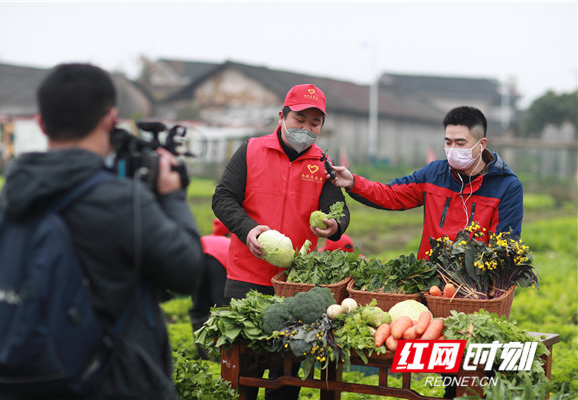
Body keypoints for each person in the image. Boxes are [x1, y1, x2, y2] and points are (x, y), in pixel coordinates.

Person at [0, 63, 203, 399]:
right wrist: (172, 196)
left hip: (26, 376)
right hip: (107, 381)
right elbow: (187, 271)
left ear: (41, 122)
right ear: (109, 119)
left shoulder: (15, 190)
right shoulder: (119, 200)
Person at [212, 83, 350, 399]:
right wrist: (247, 229)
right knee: (243, 371)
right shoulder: (250, 150)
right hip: (246, 277)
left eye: (315, 123)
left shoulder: (323, 164)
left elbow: (338, 211)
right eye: (300, 119)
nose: (307, 128)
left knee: (286, 375)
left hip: (294, 284)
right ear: (282, 116)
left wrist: (334, 224)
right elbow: (222, 198)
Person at [329, 105, 523, 260]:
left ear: (481, 144)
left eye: (460, 143)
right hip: (429, 281)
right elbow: (390, 194)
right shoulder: (434, 174)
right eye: (448, 142)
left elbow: (503, 246)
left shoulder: (506, 187)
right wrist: (353, 182)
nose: (453, 149)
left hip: (474, 289)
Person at [189, 218, 230, 360]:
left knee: (199, 307)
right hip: (217, 262)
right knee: (221, 307)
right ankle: (224, 355)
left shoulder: (207, 238)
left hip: (196, 254)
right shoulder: (229, 243)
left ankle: (204, 354)